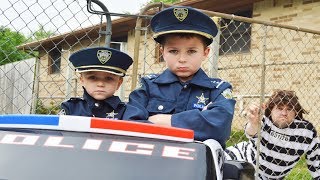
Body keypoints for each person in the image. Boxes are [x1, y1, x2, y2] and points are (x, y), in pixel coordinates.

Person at [123, 6, 236, 147]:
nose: (182, 59)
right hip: (153, 160)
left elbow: (220, 126)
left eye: (191, 51)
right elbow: (131, 124)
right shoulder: (148, 86)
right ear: (162, 52)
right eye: (174, 51)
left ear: (205, 52)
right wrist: (197, 123)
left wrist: (167, 121)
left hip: (199, 165)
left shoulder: (218, 89)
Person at [224, 90, 320, 179]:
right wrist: (253, 122)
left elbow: (316, 161)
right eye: (279, 108)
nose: (284, 113)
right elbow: (251, 132)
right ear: (271, 110)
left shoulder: (306, 132)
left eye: (289, 109)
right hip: (238, 159)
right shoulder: (263, 120)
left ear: (295, 112)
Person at [59, 47, 133, 119]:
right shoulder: (70, 108)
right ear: (82, 80)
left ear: (119, 83)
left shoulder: (126, 111)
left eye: (109, 78)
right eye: (92, 78)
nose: (100, 84)